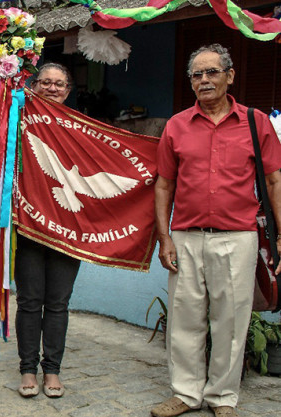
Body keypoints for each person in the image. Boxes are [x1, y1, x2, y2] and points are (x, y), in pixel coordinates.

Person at [152, 44, 281, 417]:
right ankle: (186, 394)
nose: (204, 80)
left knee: (231, 320)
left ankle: (223, 397)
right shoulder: (177, 125)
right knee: (185, 319)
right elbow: (164, 185)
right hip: (187, 237)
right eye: (196, 74)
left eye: (211, 72)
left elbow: (273, 180)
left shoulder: (255, 123)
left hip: (238, 236)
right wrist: (165, 238)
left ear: (230, 76)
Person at [14, 62, 76, 399]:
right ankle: (27, 368)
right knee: (29, 301)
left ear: (68, 90)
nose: (52, 88)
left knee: (58, 303)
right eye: (46, 82)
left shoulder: (81, 129)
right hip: (30, 226)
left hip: (69, 231)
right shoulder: (19, 122)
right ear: (34, 85)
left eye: (59, 84)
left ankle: (52, 369)